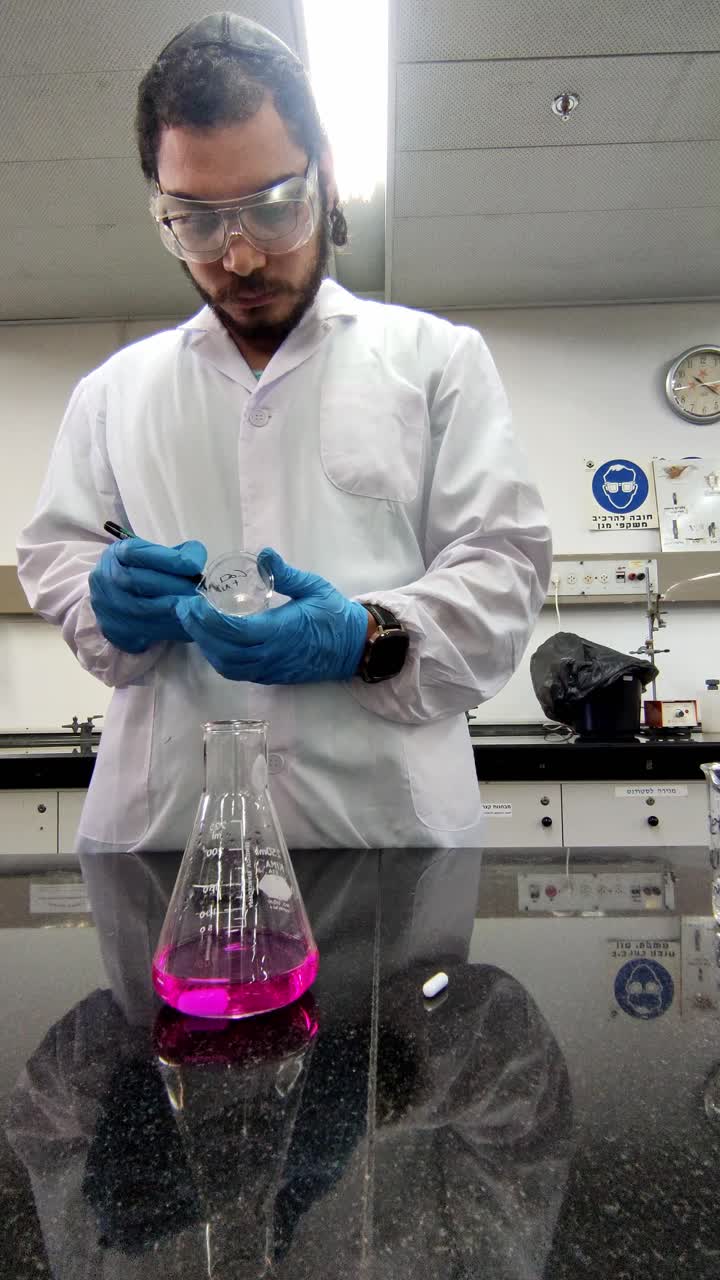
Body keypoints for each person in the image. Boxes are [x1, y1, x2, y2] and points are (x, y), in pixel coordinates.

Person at [17, 13, 551, 852]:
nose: (239, 258)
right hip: (166, 840)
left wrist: (365, 637)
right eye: (194, 220)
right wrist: (102, 601)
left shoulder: (436, 360)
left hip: (385, 838)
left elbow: (504, 571)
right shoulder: (114, 392)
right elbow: (56, 558)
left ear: (327, 177)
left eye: (272, 209)